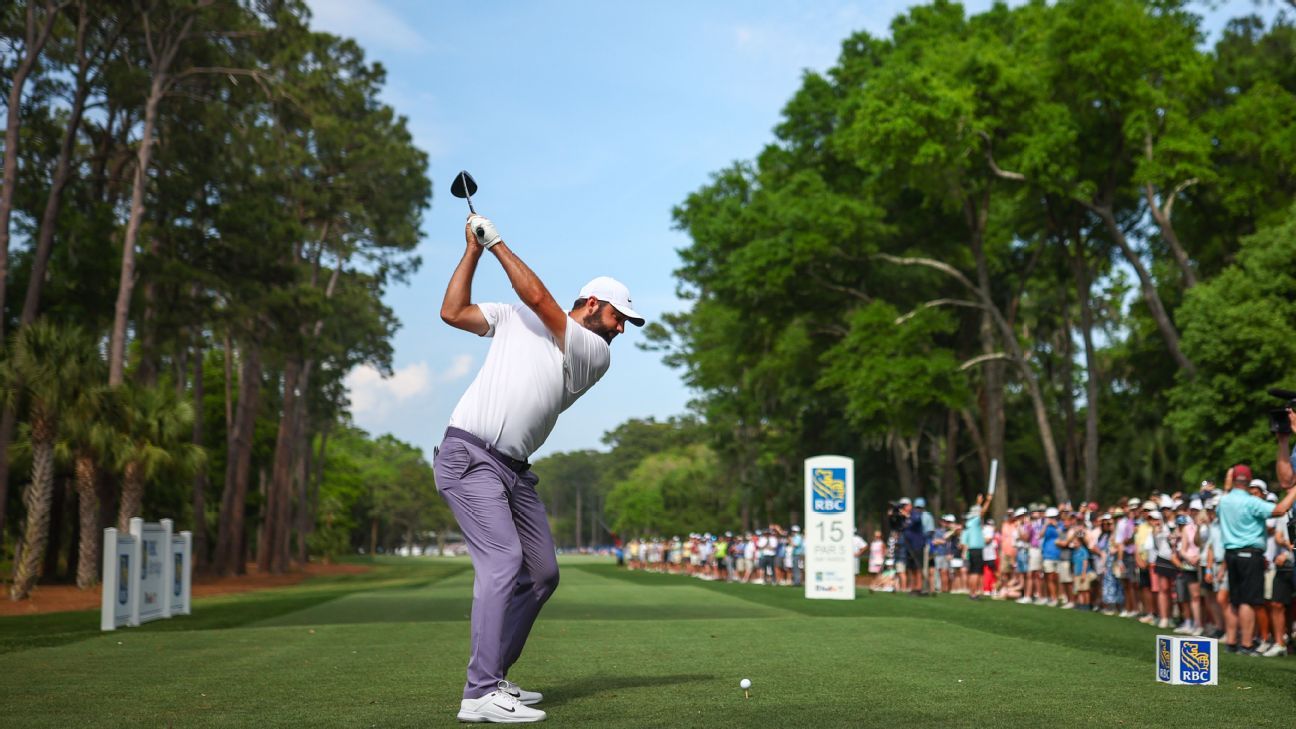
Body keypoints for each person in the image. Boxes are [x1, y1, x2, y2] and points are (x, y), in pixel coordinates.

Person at [434, 212, 643, 722]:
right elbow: (452, 311)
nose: (622, 329)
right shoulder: (512, 317)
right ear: (592, 303)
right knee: (504, 562)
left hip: (513, 470)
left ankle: (494, 675)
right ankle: (478, 693)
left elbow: (540, 301)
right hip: (470, 454)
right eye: (619, 316)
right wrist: (475, 251)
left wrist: (499, 242)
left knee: (543, 573)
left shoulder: (594, 352)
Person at [1217, 434, 1296, 656]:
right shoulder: (1251, 501)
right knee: (1248, 602)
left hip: (1230, 553)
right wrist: (1294, 491)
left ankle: (1232, 641)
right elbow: (1278, 510)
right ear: (1248, 481)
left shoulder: (1224, 500)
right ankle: (1246, 644)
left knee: (1234, 600)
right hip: (1249, 554)